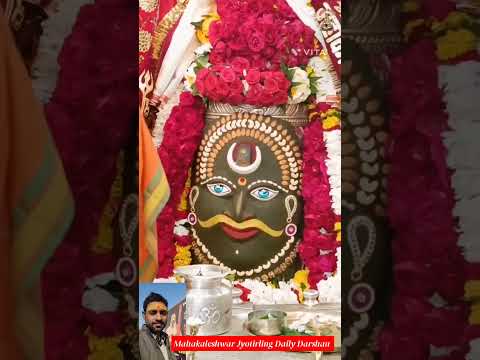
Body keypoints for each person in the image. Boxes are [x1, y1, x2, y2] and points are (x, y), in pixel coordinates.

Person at [140, 292, 176, 360]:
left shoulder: (165, 337)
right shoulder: (138, 340)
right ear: (144, 316)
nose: (159, 318)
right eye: (153, 312)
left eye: (163, 313)